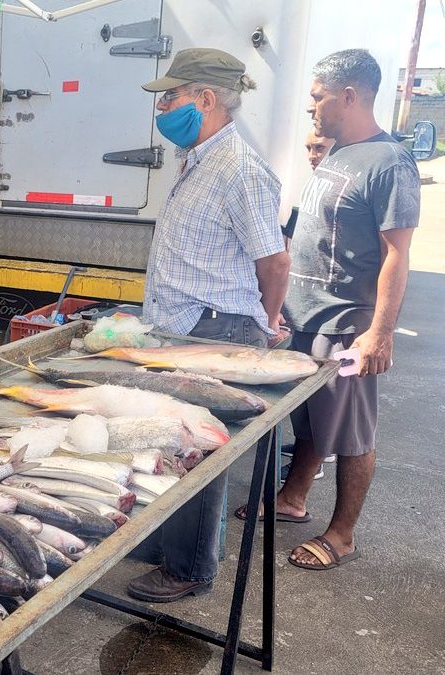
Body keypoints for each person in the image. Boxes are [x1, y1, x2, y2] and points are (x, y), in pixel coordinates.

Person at [126, 48, 290, 603]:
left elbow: (274, 260)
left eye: (170, 97)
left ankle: (190, 568)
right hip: (183, 328)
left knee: (200, 452)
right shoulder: (199, 160)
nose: (163, 107)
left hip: (215, 330)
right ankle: (165, 545)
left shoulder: (239, 169)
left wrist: (267, 320)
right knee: (173, 441)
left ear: (205, 99)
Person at [256, 49, 419, 570]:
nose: (313, 108)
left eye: (319, 97)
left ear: (349, 96)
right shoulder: (338, 153)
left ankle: (342, 535)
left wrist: (379, 334)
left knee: (350, 432)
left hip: (347, 325)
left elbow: (398, 253)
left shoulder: (389, 163)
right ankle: (292, 499)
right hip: (305, 318)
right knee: (308, 418)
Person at [277, 128, 336, 482]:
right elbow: (288, 247)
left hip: (326, 311)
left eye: (320, 148)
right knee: (302, 396)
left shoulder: (339, 195)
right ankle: (306, 450)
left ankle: (308, 468)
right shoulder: (311, 191)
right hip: (301, 306)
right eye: (309, 148)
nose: (312, 155)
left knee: (322, 401)